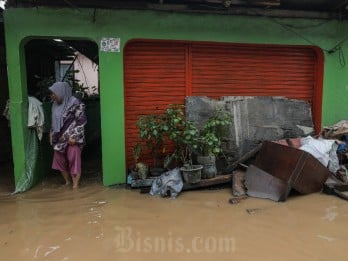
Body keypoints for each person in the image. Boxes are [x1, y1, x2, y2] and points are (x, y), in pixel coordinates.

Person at [49, 82, 87, 189]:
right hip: (59, 139)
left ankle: (75, 186)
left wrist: (74, 136)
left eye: (54, 93)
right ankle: (67, 182)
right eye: (51, 93)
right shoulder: (55, 105)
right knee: (58, 159)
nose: (52, 96)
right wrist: (51, 133)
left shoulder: (75, 103)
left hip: (72, 138)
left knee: (73, 157)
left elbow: (81, 121)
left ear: (61, 92)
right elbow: (54, 121)